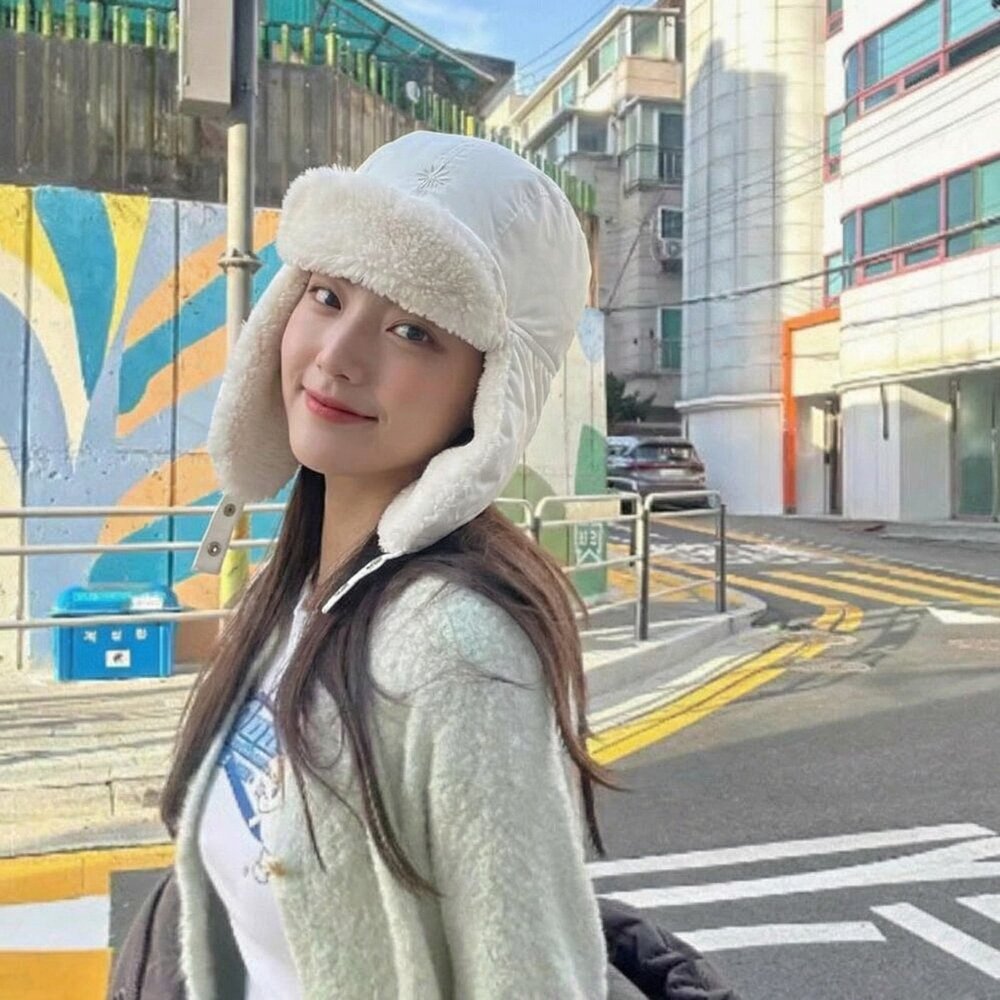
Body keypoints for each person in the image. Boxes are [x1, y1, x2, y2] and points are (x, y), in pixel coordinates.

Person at [157, 130, 619, 999]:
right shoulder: (297, 593)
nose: (338, 355)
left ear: (487, 393)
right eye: (328, 294)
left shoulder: (457, 654)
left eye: (412, 330)